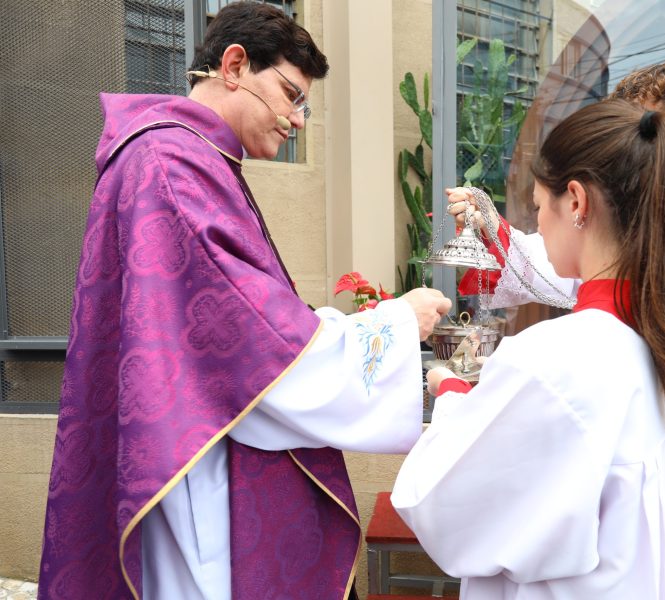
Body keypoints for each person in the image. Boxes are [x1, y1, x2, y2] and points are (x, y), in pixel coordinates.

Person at [37, 3, 450, 600]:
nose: (298, 120)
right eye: (290, 94)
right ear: (234, 66)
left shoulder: (189, 157)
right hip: (193, 461)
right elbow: (252, 340)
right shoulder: (171, 163)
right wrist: (393, 323)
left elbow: (240, 317)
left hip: (193, 435)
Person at [447, 58, 665, 599]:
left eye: (648, 129)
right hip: (628, 403)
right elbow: (576, 264)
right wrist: (497, 233)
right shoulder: (627, 221)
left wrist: (656, 325)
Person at [392, 99, 665, 599]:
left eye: (537, 205)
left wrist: (453, 396)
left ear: (576, 202)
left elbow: (443, 506)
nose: (537, 225)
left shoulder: (554, 360)